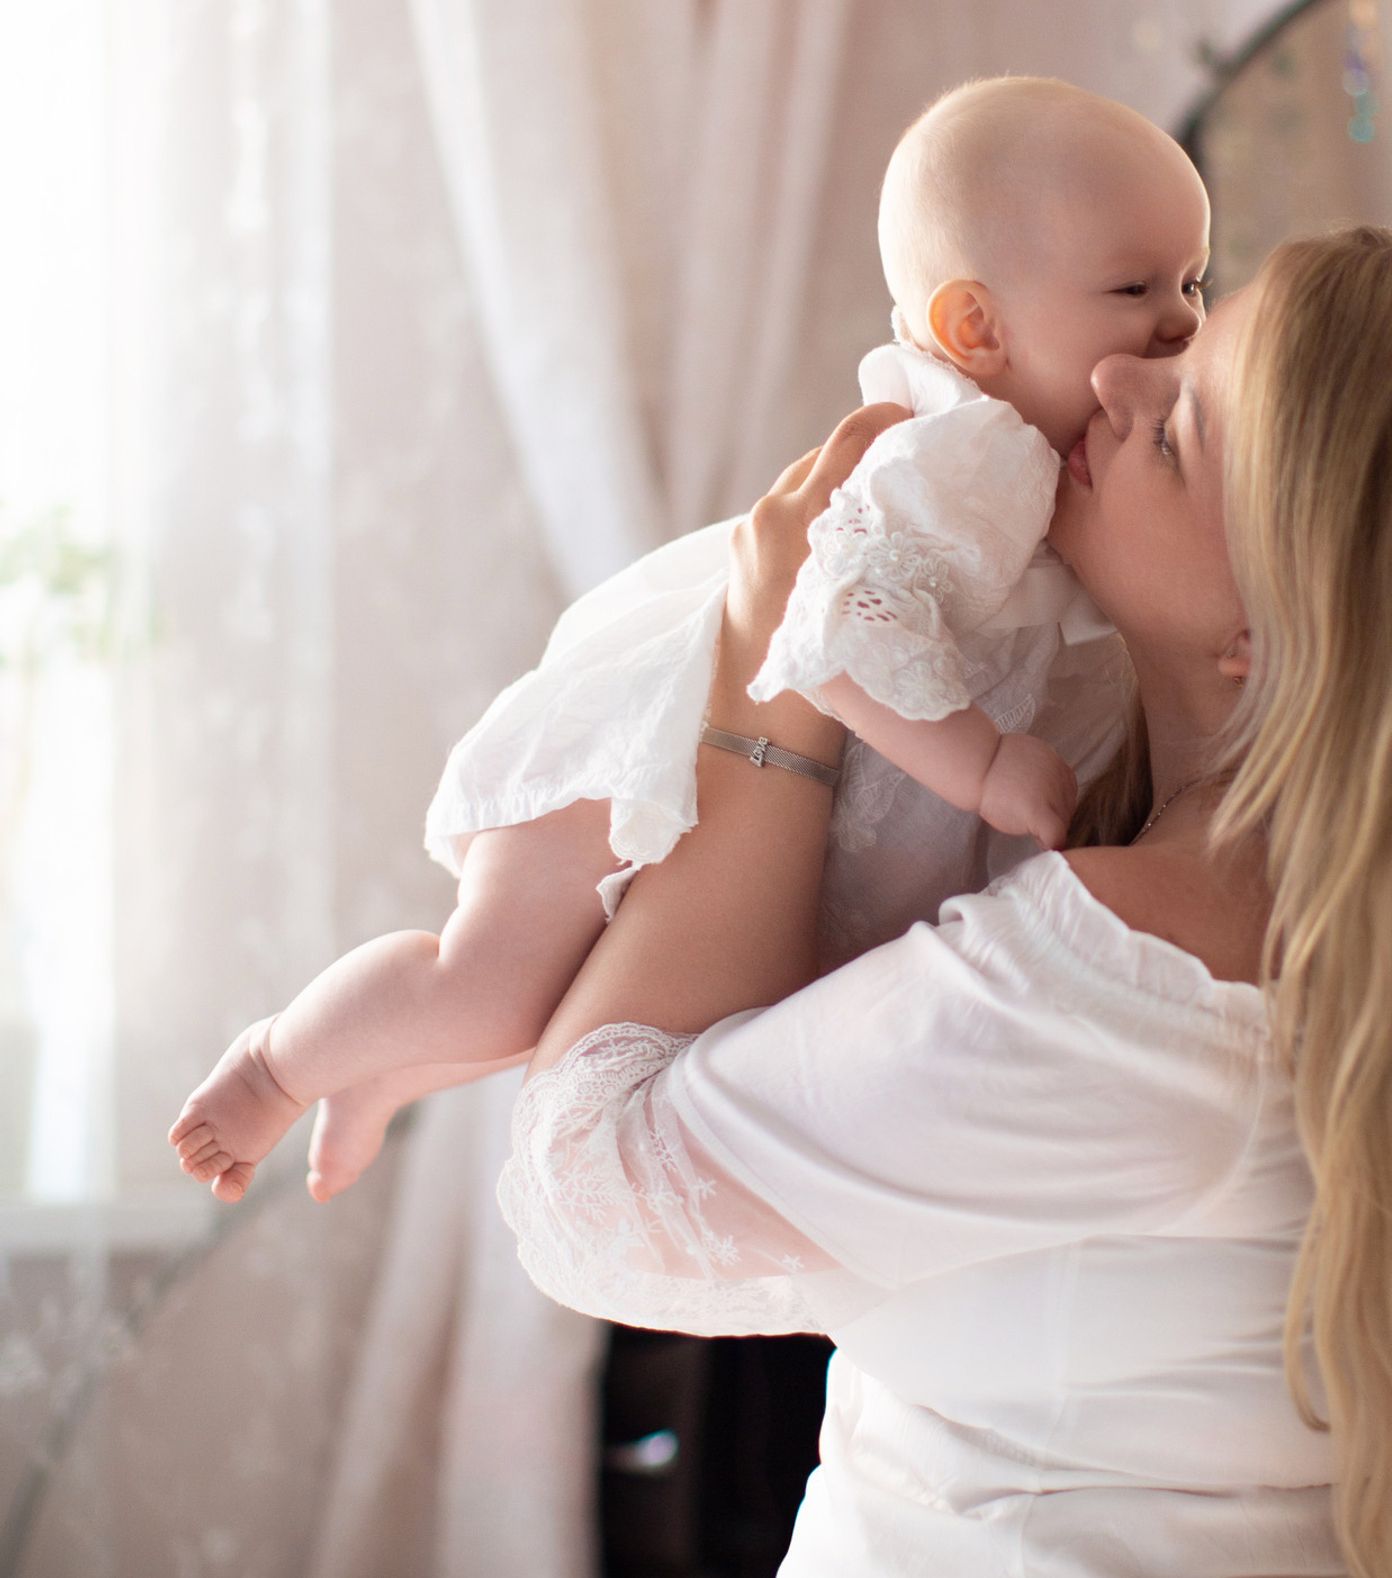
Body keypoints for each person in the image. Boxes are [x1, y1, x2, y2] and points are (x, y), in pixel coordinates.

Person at [500, 228, 1392, 1578]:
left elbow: (585, 1194)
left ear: (1269, 629)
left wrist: (772, 675)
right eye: (1184, 339)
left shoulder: (1108, 987)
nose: (1115, 382)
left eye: (1180, 429)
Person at [167, 77, 1208, 1205]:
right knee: (487, 987)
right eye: (1135, 287)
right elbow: (832, 627)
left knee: (526, 1007)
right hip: (640, 755)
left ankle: (377, 1072)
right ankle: (279, 1063)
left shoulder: (1031, 456)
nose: (1183, 322)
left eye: (1195, 281)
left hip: (710, 761)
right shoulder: (964, 458)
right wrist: (987, 763)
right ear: (976, 329)